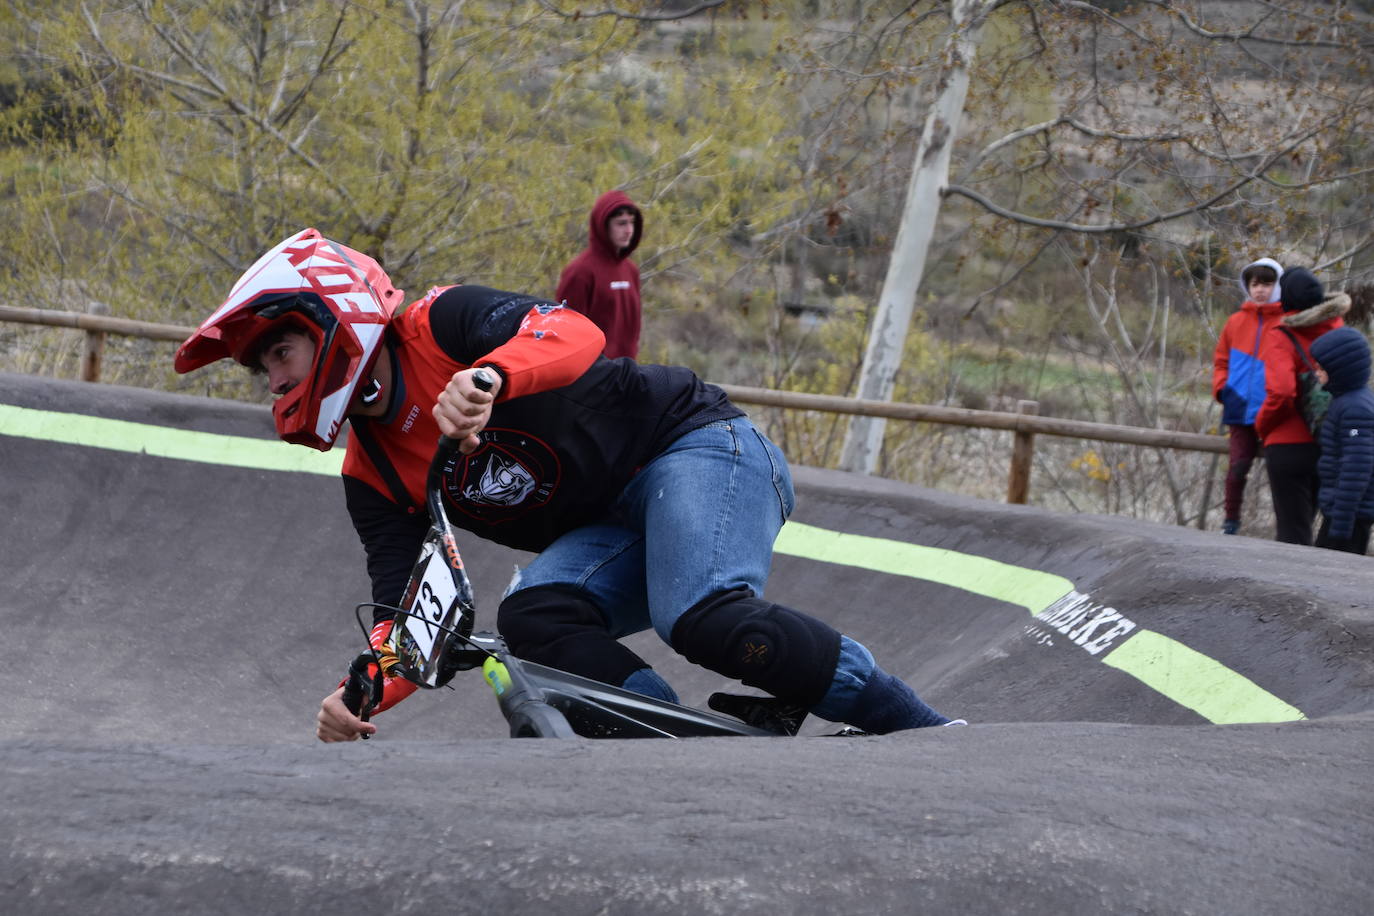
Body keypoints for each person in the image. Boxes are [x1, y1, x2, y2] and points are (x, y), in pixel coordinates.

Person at [174, 228, 961, 741]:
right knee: (534, 618)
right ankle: (688, 748)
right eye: (263, 368)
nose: (273, 380)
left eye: (278, 354)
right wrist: (362, 691)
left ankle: (922, 730)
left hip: (698, 445)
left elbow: (572, 330)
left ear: (330, 318)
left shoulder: (439, 324)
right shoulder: (372, 472)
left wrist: (489, 376)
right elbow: (410, 618)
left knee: (701, 615)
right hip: (619, 524)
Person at [1254, 267, 1351, 545]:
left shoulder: (1282, 333)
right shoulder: (1339, 329)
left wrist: (1263, 426)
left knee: (1292, 534)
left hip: (1288, 444)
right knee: (1314, 528)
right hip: (1330, 441)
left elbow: (1281, 392)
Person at [1212, 258, 1284, 535]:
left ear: (1278, 286)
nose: (1261, 290)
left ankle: (1283, 528)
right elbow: (1220, 362)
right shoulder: (1235, 321)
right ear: (1247, 286)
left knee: (1279, 469)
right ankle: (1231, 521)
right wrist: (1222, 390)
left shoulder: (1287, 321)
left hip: (1274, 408)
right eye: (1255, 284)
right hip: (1238, 406)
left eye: (1267, 283)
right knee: (1238, 466)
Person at [555, 190, 643, 360]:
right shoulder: (580, 272)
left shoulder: (631, 270)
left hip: (626, 375)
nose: (629, 230)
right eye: (621, 223)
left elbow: (632, 331)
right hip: (593, 376)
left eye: (631, 223)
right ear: (604, 225)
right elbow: (566, 332)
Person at [1309, 327, 1374, 555]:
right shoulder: (1346, 401)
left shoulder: (1355, 408)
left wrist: (1341, 525)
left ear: (1340, 369)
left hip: (1348, 518)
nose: (1316, 372)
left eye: (1321, 367)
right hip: (1342, 513)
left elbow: (1356, 468)